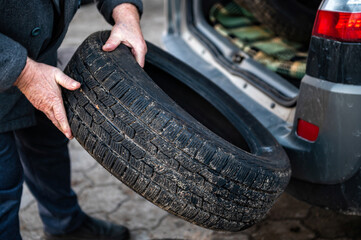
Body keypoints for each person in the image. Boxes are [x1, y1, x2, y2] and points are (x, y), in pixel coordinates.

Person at [0, 0, 147, 239]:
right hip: (12, 64)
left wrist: (125, 13)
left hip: (41, 60)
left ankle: (65, 225)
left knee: (48, 147)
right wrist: (23, 72)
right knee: (2, 189)